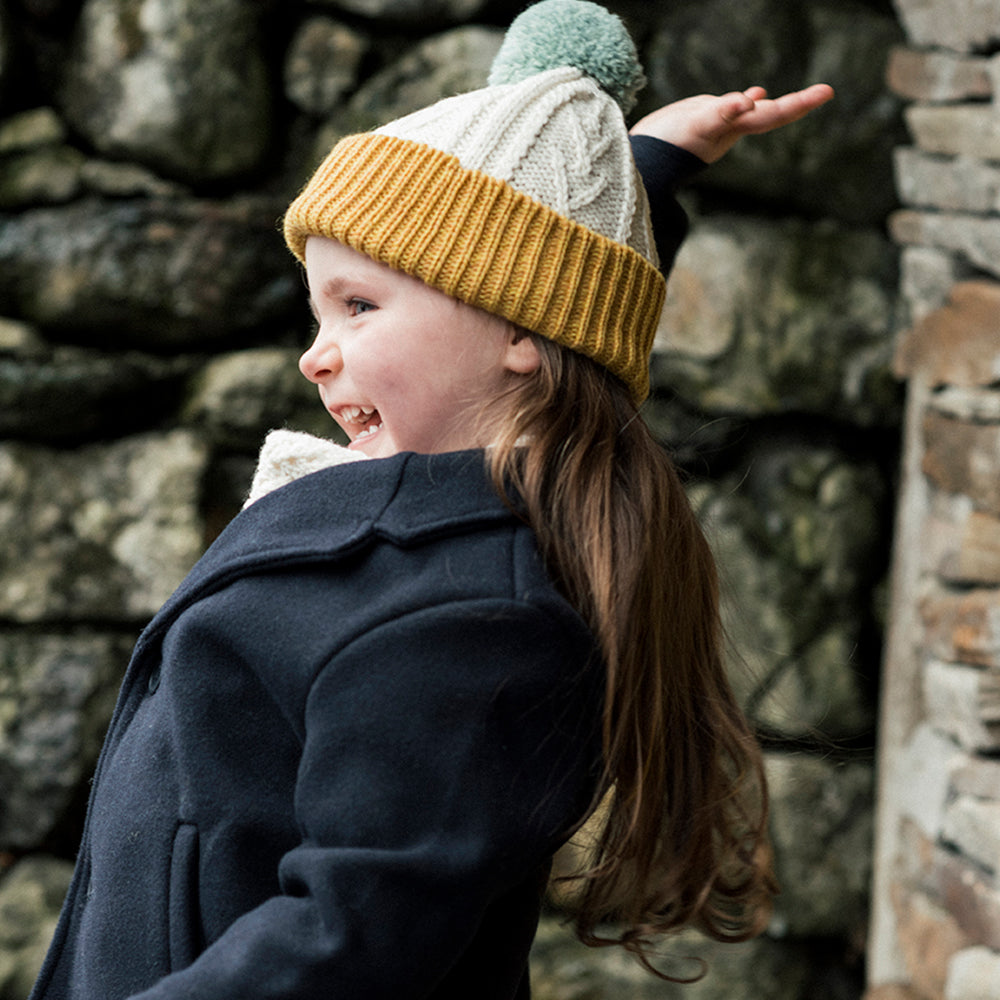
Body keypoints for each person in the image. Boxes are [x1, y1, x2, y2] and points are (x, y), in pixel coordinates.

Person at [28, 3, 833, 998]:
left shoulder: (477, 620)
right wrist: (645, 166)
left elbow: (347, 938)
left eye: (359, 306)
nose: (315, 355)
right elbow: (558, 281)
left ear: (521, 331)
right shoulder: (422, 496)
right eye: (318, 311)